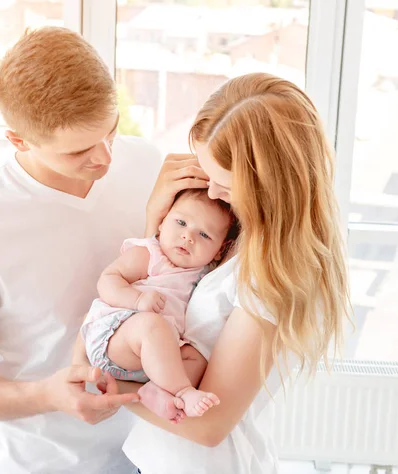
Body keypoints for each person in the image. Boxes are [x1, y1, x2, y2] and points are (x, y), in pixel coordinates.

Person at [0, 27, 208, 474]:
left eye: (111, 132)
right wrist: (48, 394)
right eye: (79, 151)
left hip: (153, 452)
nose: (107, 159)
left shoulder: (146, 164)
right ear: (18, 140)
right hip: (42, 463)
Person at [116, 72, 352, 474]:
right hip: (157, 458)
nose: (210, 194)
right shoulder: (241, 237)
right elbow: (165, 291)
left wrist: (103, 387)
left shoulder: (273, 275)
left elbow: (209, 425)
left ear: (270, 184)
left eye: (224, 183)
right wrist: (155, 220)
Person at [80, 189, 238, 422]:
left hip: (157, 357)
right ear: (162, 223)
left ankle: (157, 390)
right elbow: (108, 279)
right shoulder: (150, 254)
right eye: (181, 222)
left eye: (204, 235)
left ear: (220, 250)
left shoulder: (205, 275)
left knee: (198, 357)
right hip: (115, 337)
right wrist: (136, 299)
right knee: (151, 325)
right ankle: (182, 391)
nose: (188, 237)